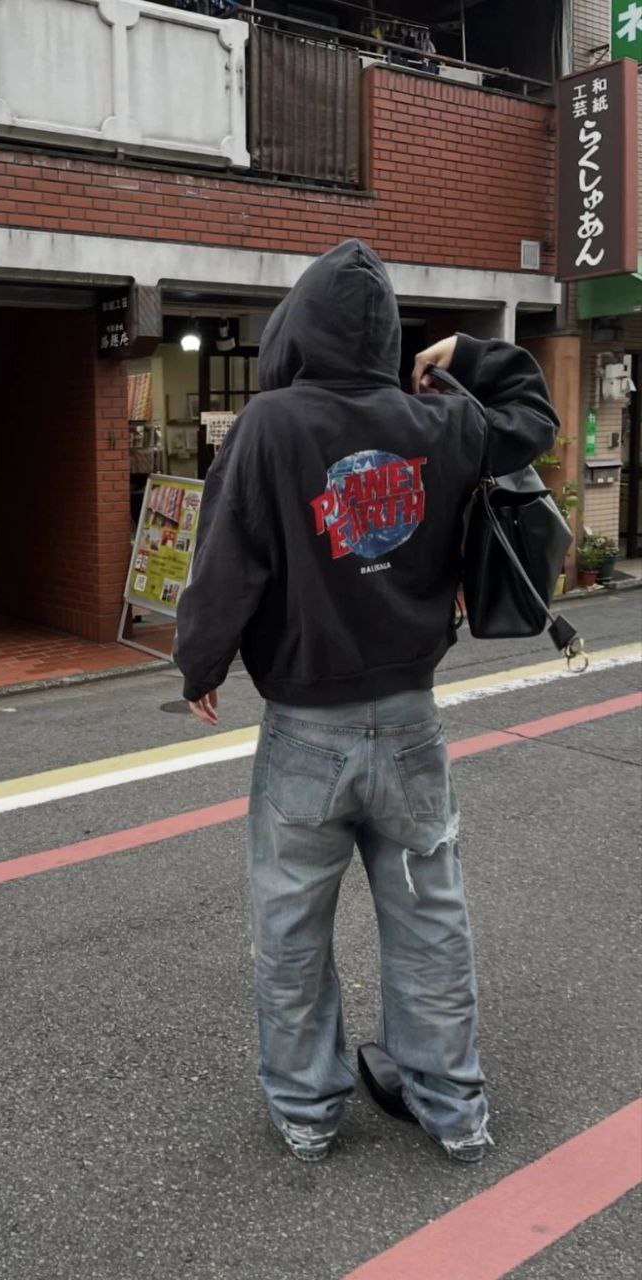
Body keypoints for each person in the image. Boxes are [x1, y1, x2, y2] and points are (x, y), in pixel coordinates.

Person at [174, 240, 557, 1164]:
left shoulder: (270, 425)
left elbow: (226, 561)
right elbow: (532, 418)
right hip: (413, 720)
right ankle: (454, 1109)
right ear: (388, 333)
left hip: (307, 729)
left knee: (292, 928)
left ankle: (309, 1112)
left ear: (298, 328)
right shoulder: (438, 420)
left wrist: (201, 664)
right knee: (431, 919)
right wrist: (470, 352)